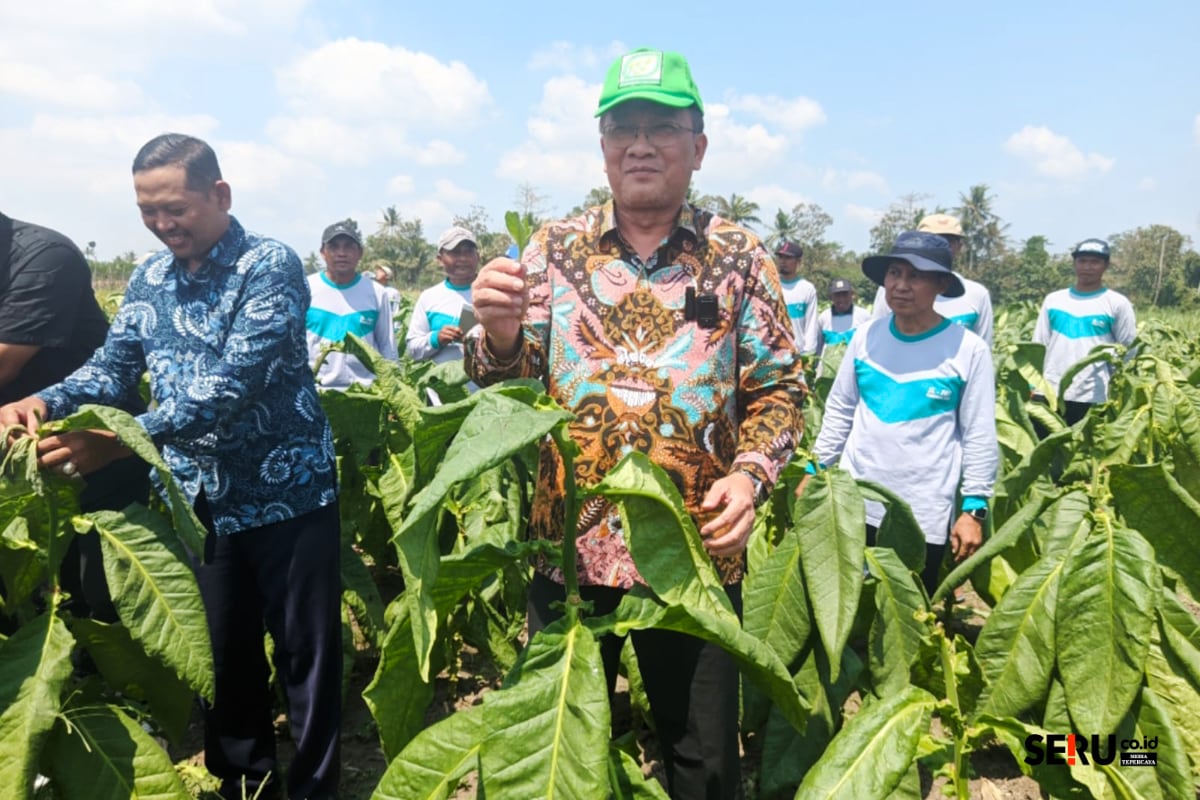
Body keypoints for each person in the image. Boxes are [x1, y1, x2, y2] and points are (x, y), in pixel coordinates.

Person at [466, 48, 804, 799]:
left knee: (703, 758)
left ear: (698, 147)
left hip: (694, 557)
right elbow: (509, 389)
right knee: (566, 750)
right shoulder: (553, 250)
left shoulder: (739, 256)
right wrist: (496, 337)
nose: (641, 143)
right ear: (603, 147)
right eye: (624, 128)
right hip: (571, 550)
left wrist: (751, 480)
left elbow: (780, 389)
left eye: (662, 126)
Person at [0, 134, 341, 800]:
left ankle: (317, 787)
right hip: (197, 498)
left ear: (219, 194)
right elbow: (113, 365)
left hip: (286, 494)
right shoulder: (150, 278)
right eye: (147, 211)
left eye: (174, 208)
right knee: (221, 650)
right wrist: (41, 398)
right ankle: (244, 782)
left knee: (306, 652)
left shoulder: (267, 264)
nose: (162, 224)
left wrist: (121, 440)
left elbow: (232, 384)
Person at [805, 231, 997, 595]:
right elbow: (841, 409)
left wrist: (974, 508)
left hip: (922, 514)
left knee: (905, 616)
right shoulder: (865, 338)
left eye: (916, 276)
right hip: (854, 503)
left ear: (941, 284)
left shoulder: (966, 349)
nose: (901, 286)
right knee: (846, 605)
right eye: (895, 273)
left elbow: (979, 433)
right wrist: (816, 468)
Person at [0, 212, 148, 627]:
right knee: (21, 596)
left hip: (91, 453)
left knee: (101, 599)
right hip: (19, 464)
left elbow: (5, 365)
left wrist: (121, 441)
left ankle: (119, 686)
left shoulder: (44, 258)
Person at [1032, 238, 1136, 425]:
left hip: (1094, 394)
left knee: (1087, 452)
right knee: (1047, 450)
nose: (1087, 267)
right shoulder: (1054, 300)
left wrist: (1117, 390)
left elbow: (1128, 350)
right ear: (1074, 264)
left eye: (1094, 262)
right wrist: (1033, 385)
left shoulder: (1117, 303)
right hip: (1050, 391)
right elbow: (1038, 345)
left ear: (1105, 266)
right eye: (1082, 261)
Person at [871, 213, 994, 347]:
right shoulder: (890, 290)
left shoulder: (977, 294)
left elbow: (983, 345)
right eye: (931, 239)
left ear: (959, 247)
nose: (941, 245)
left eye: (949, 241)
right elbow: (877, 335)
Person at [305, 221, 398, 389]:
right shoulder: (306, 289)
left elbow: (387, 347)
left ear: (360, 253)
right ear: (322, 252)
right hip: (315, 392)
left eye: (349, 247)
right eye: (334, 247)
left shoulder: (377, 293)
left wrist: (393, 391)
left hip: (364, 393)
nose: (341, 253)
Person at [405, 225, 478, 366]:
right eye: (455, 253)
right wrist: (436, 339)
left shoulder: (494, 294)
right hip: (441, 387)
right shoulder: (429, 297)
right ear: (440, 259)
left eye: (468, 252)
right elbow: (412, 350)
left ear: (477, 257)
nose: (463, 258)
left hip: (488, 387)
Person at [775, 240, 820, 357]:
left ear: (798, 262)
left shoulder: (807, 289)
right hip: (773, 353)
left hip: (798, 353)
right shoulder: (770, 285)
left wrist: (808, 353)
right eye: (780, 257)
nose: (783, 261)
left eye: (788, 258)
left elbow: (811, 324)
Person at [816, 277, 870, 354]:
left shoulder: (864, 316)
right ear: (831, 297)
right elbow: (818, 346)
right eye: (837, 295)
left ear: (852, 295)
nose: (841, 299)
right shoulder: (824, 317)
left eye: (845, 295)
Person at [372, 262, 403, 332]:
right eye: (378, 270)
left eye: (381, 271)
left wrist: (396, 328)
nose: (378, 272)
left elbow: (396, 310)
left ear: (387, 276)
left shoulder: (393, 292)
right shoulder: (371, 289)